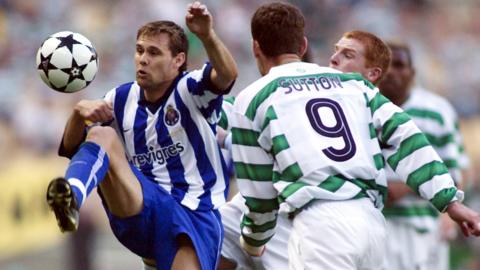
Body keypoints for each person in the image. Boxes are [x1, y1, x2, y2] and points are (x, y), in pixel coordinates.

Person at [229, 2, 480, 270]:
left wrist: (253, 242)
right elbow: (406, 137)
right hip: (372, 224)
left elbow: (259, 196)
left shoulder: (251, 99)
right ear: (303, 46)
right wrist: (450, 202)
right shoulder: (352, 84)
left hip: (322, 223)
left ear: (256, 47)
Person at [45, 1, 238, 269]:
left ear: (178, 60)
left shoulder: (191, 89)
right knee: (102, 136)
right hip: (143, 204)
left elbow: (227, 74)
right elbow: (71, 147)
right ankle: (71, 198)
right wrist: (78, 114)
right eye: (139, 50)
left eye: (154, 52)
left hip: (195, 215)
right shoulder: (121, 98)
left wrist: (206, 36)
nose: (143, 59)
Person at [218, 29, 392, 270]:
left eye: (348, 55)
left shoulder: (368, 116)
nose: (333, 59)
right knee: (213, 236)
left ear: (372, 74)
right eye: (335, 51)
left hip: (326, 219)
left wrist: (228, 140)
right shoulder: (311, 101)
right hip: (292, 210)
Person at [379, 41, 470, 270]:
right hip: (375, 225)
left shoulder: (436, 111)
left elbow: (456, 171)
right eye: (386, 65)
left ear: (412, 72)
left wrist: (408, 185)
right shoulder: (359, 107)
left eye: (399, 65)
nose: (392, 72)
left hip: (421, 226)